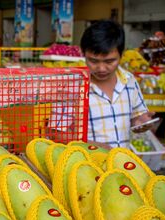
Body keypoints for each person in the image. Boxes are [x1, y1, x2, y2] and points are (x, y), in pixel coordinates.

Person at [50, 20, 155, 149]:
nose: (101, 68)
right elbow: (57, 134)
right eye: (93, 61)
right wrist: (94, 147)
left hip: (121, 165)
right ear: (83, 55)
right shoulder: (72, 88)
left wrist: (141, 123)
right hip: (86, 166)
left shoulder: (130, 81)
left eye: (109, 61)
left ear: (121, 55)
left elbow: (135, 120)